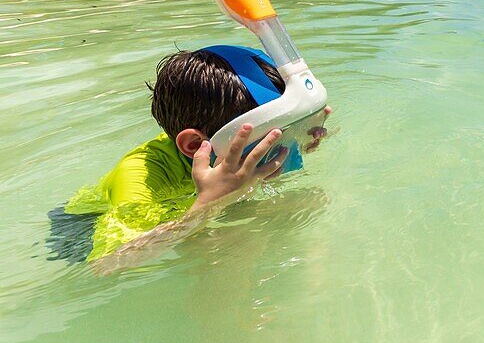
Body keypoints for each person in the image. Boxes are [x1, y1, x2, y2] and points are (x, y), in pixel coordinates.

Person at [51, 46, 330, 273]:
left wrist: (303, 138)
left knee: (308, 201)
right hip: (84, 235)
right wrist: (212, 202)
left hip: (188, 203)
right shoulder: (139, 178)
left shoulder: (215, 153)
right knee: (230, 245)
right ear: (195, 144)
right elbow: (107, 264)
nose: (283, 149)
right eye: (271, 140)